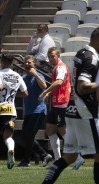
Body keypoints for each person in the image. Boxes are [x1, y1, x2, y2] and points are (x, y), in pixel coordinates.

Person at [43, 28, 99, 184]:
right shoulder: (92, 58)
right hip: (85, 111)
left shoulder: (81, 52)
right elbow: (83, 86)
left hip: (72, 109)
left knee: (69, 157)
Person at [0, 53, 28, 175]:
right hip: (10, 109)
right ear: (12, 62)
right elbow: (25, 93)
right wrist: (13, 95)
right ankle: (11, 149)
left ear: (1, 62)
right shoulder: (18, 76)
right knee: (8, 137)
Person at [18, 55, 53, 167]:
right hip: (28, 112)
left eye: (29, 63)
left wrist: (35, 74)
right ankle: (39, 155)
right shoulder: (23, 78)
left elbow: (44, 86)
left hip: (38, 111)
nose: (27, 64)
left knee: (29, 135)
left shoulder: (39, 76)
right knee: (25, 136)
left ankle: (29, 159)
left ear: (34, 65)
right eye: (26, 63)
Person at [38, 47, 70, 162]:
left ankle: (78, 157)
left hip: (62, 102)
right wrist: (49, 95)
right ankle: (57, 159)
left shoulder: (61, 67)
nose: (51, 58)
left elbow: (59, 82)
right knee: (50, 130)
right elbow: (56, 84)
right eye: (49, 56)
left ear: (58, 56)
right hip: (55, 102)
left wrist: (45, 92)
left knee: (62, 129)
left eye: (53, 56)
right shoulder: (56, 67)